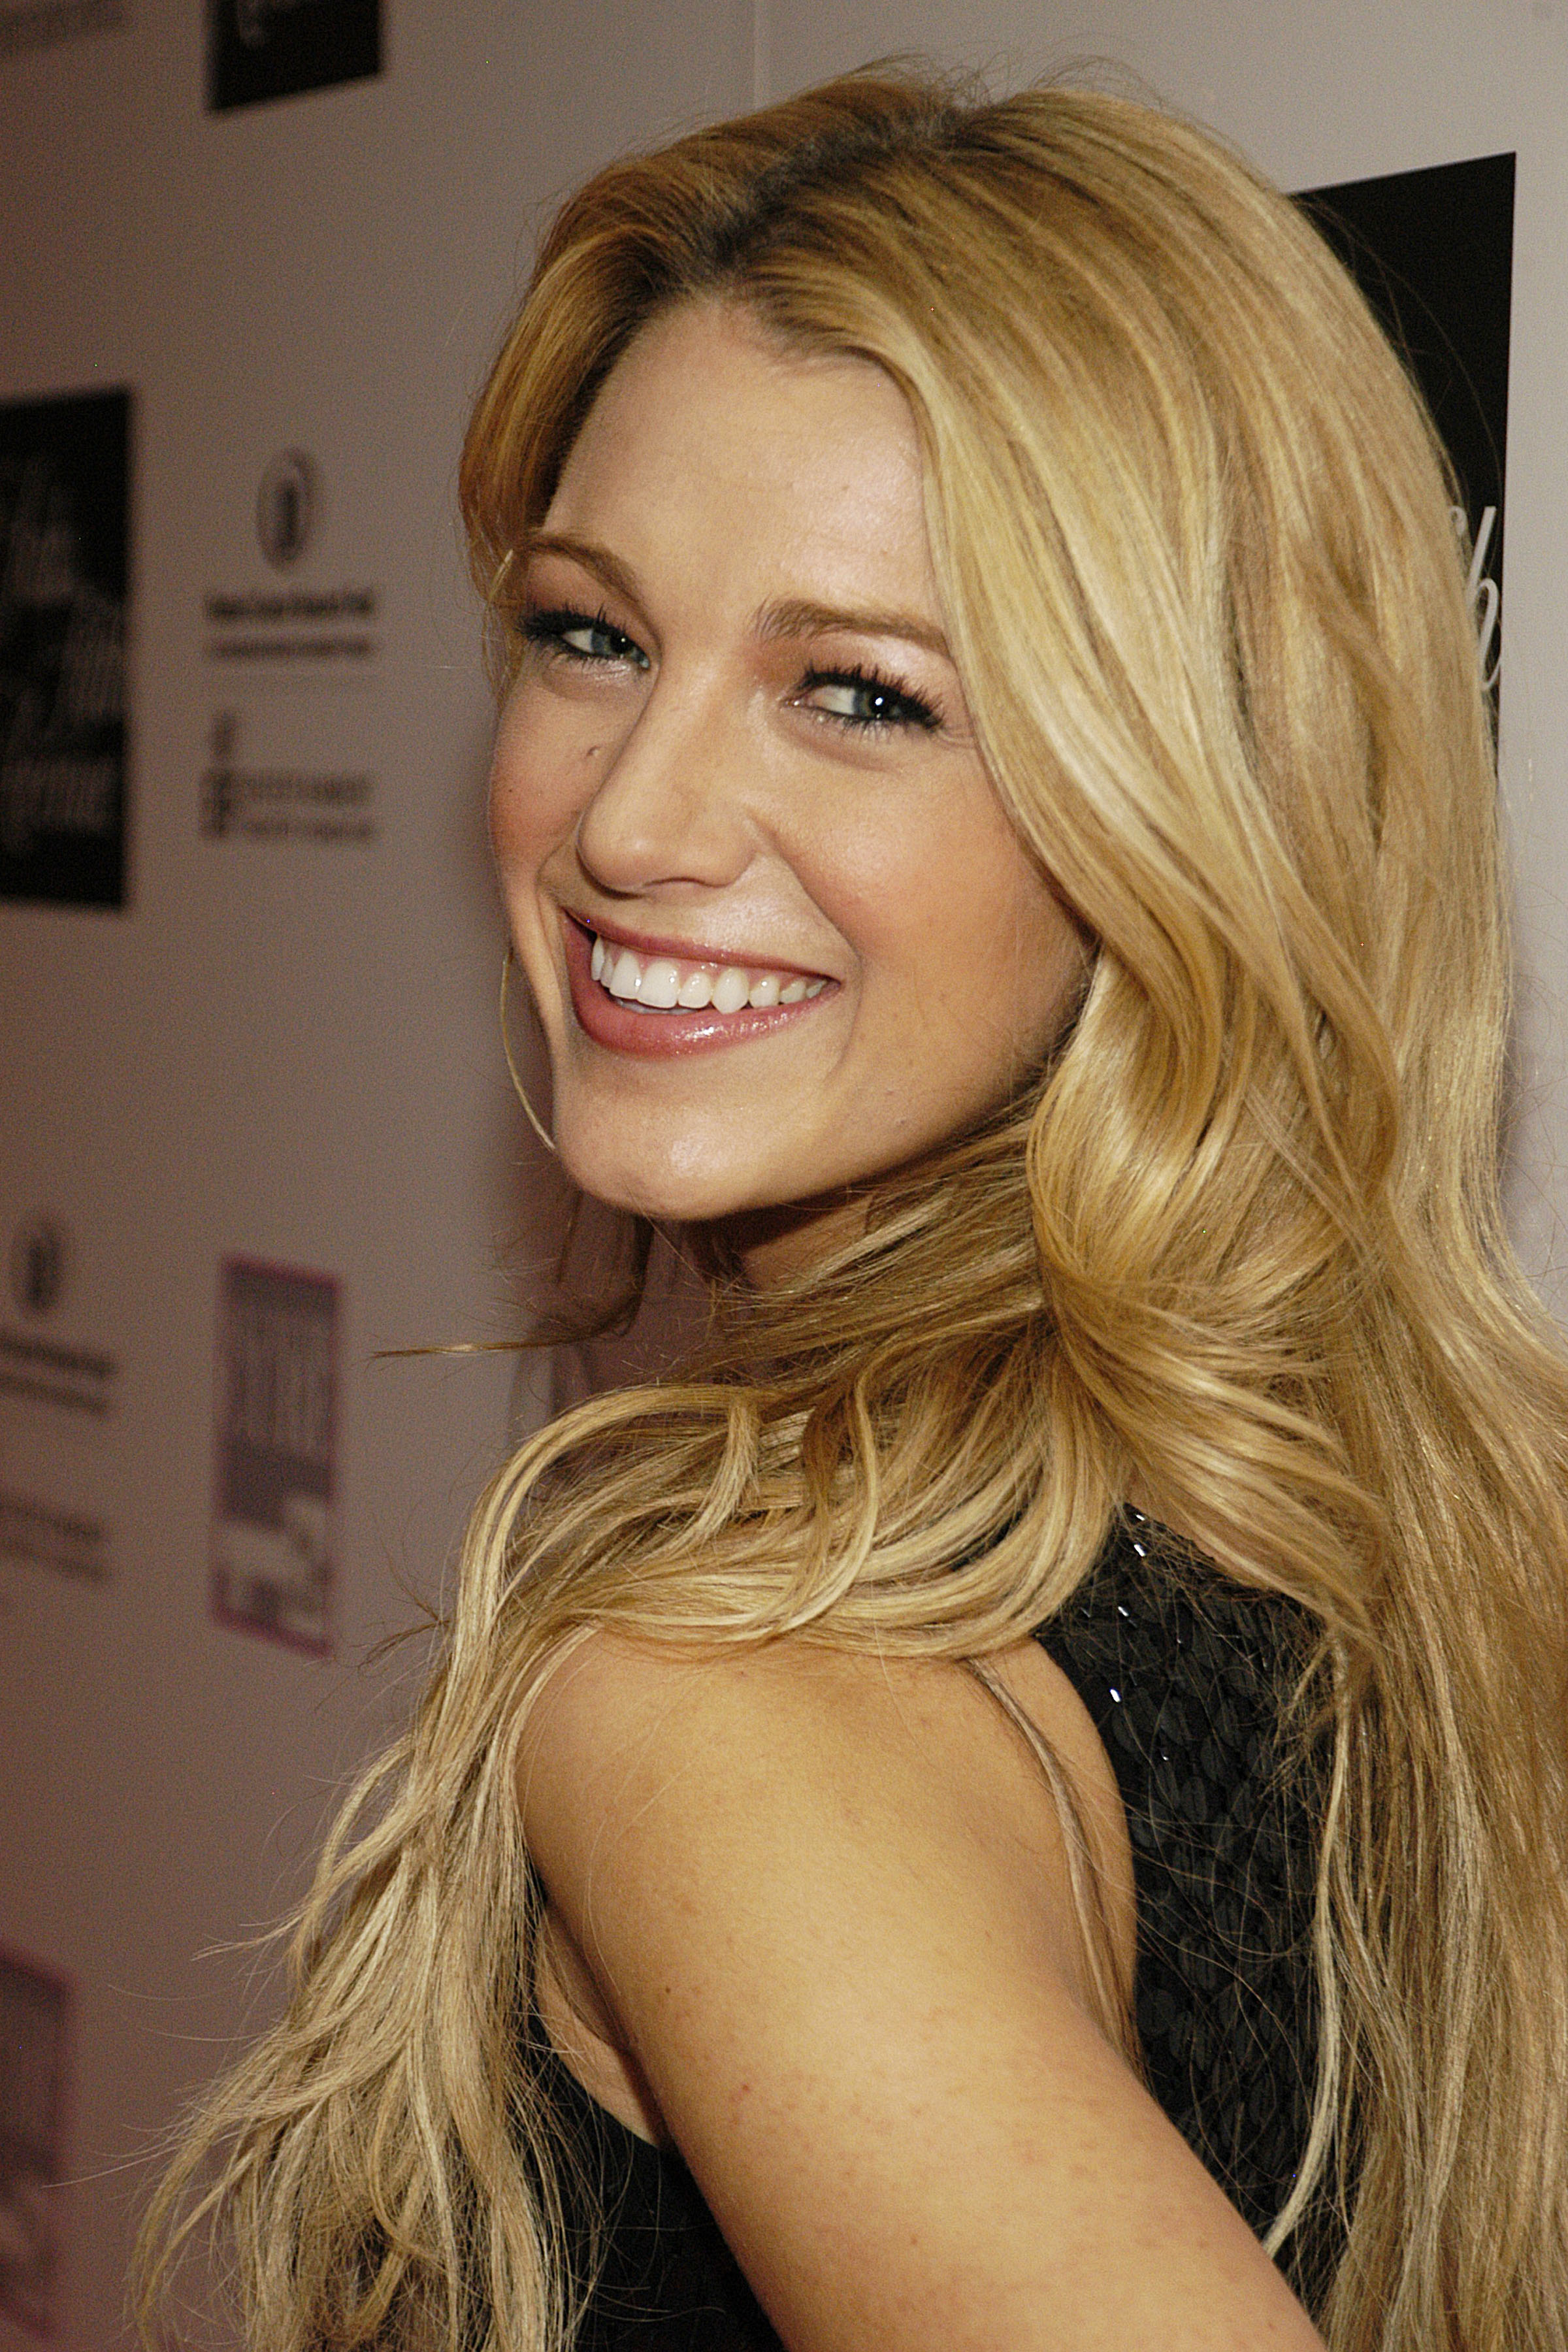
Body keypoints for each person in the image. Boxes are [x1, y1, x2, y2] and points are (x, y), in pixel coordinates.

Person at [139, 67, 1568, 2352]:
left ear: (1192, 792)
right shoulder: (1397, 1523)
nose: (634, 818)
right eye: (593, 635)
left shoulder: (736, 1699)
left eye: (859, 693)